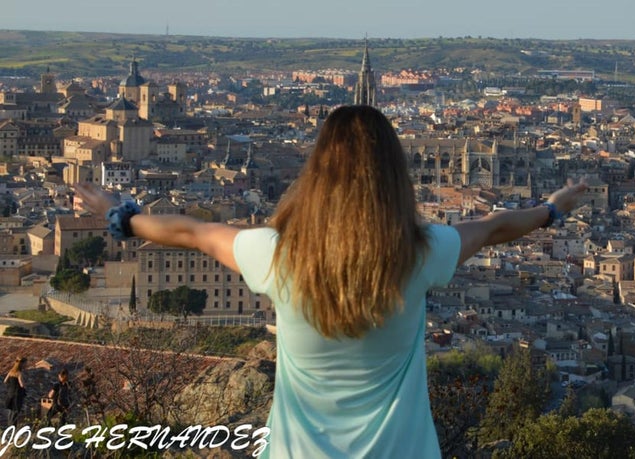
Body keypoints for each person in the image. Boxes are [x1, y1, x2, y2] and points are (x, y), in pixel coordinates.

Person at [74, 105, 587, 458]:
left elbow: (194, 233)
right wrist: (551, 210)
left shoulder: (278, 254)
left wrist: (120, 215)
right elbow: (496, 226)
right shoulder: (421, 252)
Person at [3, 357, 26, 425]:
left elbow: (5, 381)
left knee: (10, 411)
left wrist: (10, 386)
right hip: (17, 395)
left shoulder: (11, 371)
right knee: (15, 411)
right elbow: (22, 385)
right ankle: (13, 426)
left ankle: (9, 425)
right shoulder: (19, 373)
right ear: (21, 364)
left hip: (10, 394)